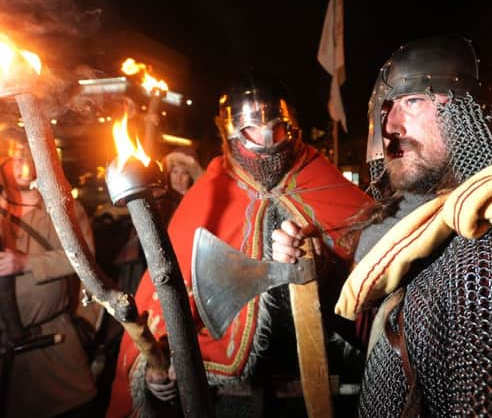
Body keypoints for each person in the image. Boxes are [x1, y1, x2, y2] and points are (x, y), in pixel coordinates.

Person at [273, 36, 492, 416]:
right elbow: (387, 343)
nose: (390, 126)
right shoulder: (398, 229)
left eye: (413, 101)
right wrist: (324, 275)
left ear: (470, 110)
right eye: (385, 108)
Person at [107, 71, 372, 417]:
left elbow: (378, 273)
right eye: (250, 131)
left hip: (330, 378)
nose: (267, 142)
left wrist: (326, 267)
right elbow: (165, 300)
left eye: (277, 128)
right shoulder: (210, 194)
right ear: (228, 132)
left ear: (292, 128)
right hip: (234, 396)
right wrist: (154, 368)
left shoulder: (321, 180)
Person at [0, 136, 97, 418]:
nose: (22, 165)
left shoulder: (62, 209)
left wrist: (26, 263)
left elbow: (84, 257)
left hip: (53, 344)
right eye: (15, 158)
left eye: (28, 157)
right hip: (7, 354)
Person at [158, 146, 203, 227]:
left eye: (184, 173)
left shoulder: (197, 204)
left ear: (191, 178)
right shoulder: (161, 201)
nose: (178, 178)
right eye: (174, 171)